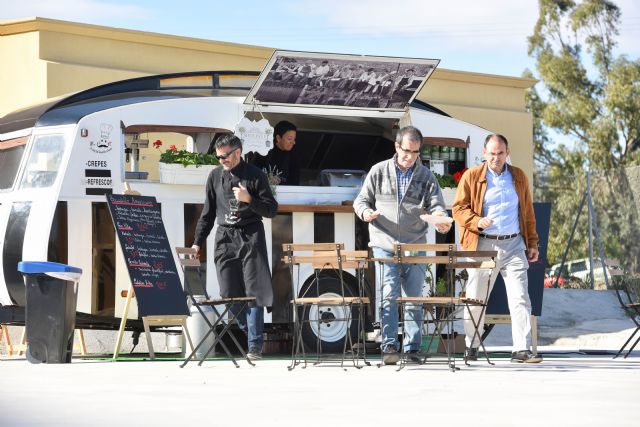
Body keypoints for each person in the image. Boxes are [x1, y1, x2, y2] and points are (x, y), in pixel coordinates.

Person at [353, 126, 452, 365]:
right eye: (407, 151)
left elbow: (438, 205)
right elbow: (361, 199)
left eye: (416, 152)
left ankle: (413, 348)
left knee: (414, 297)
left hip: (415, 243)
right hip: (384, 243)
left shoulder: (426, 176)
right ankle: (389, 346)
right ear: (397, 147)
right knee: (388, 295)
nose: (411, 157)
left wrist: (440, 221)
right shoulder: (378, 171)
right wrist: (365, 211)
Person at [452, 133, 542, 363]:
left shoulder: (518, 176)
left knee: (520, 297)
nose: (496, 158)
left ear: (507, 153)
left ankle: (521, 349)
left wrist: (532, 243)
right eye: (492, 154)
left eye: (500, 153)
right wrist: (476, 221)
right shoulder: (472, 176)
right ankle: (471, 345)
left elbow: (528, 213)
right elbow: (458, 209)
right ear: (484, 153)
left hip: (514, 244)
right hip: (483, 244)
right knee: (476, 296)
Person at [191, 134, 278, 360]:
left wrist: (250, 199)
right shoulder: (214, 176)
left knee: (254, 291)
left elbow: (271, 210)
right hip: (224, 237)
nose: (221, 160)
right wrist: (197, 242)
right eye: (218, 157)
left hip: (250, 234)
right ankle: (250, 331)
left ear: (237, 152)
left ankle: (254, 347)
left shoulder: (256, 175)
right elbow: (207, 214)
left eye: (225, 156)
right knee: (228, 292)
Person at [247, 120, 300, 185]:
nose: (293, 142)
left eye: (294, 139)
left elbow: (295, 182)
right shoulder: (264, 151)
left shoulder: (294, 155)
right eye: (289, 139)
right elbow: (252, 175)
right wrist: (268, 180)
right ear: (278, 138)